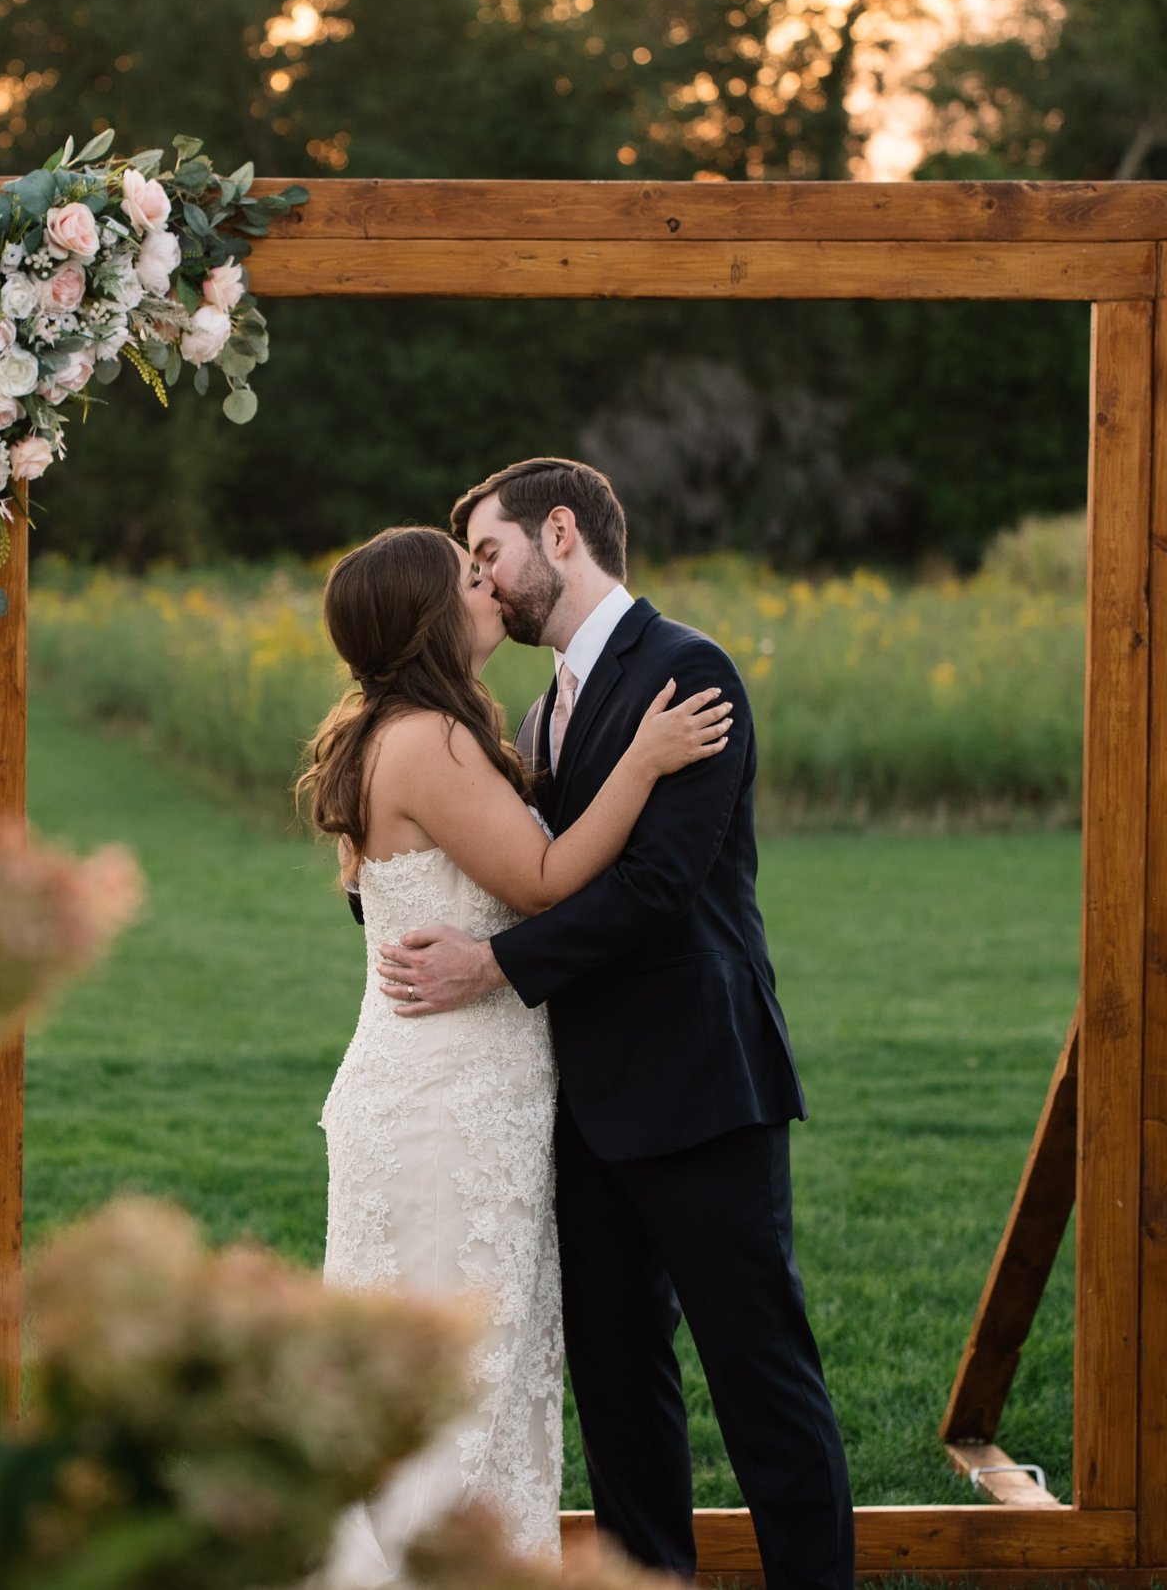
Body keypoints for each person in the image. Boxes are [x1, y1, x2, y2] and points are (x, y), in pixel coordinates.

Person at [374, 457, 856, 1590]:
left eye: (487, 556)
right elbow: (521, 864)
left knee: (761, 1378)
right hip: (583, 1107)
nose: (483, 587)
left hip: (700, 1089)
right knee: (619, 1392)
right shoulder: (543, 711)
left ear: (560, 531)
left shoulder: (688, 670)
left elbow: (656, 888)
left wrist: (492, 964)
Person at [296, 523, 733, 1586]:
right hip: (448, 1106)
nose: (487, 582)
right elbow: (542, 881)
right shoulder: (428, 741)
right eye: (466, 577)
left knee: (447, 1380)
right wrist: (641, 761)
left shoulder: (390, 732)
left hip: (430, 1090)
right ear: (426, 617)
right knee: (461, 1383)